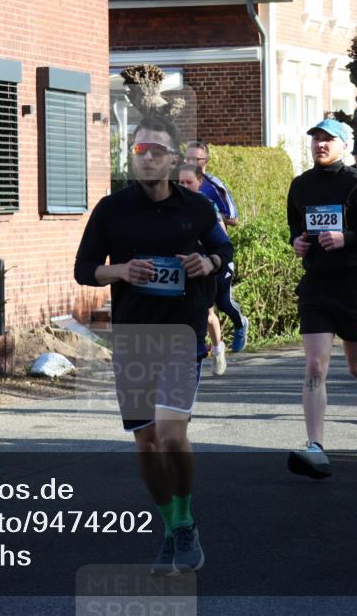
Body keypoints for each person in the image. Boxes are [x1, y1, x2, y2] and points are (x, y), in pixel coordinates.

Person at [75, 115, 232, 574]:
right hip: (134, 337)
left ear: (173, 157)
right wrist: (120, 271)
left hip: (182, 333)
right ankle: (169, 526)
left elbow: (225, 251)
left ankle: (184, 522)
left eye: (156, 151)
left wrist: (208, 260)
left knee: (170, 434)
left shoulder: (197, 208)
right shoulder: (111, 209)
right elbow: (86, 269)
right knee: (145, 444)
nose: (147, 158)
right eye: (139, 151)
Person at [286, 119, 357, 479]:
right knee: (315, 367)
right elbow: (296, 231)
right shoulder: (300, 185)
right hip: (316, 284)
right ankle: (315, 445)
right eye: (316, 138)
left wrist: (346, 238)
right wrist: (298, 244)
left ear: (344, 145)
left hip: (352, 284)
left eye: (328, 138)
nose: (320, 144)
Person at [183, 140, 249, 352]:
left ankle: (240, 324)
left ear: (206, 162)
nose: (192, 162)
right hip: (193, 255)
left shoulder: (214, 186)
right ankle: (206, 347)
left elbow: (233, 218)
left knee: (223, 301)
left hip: (216, 252)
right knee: (202, 304)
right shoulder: (178, 183)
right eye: (188, 158)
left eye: (197, 159)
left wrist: (207, 213)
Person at [178, 163, 228, 376]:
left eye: (188, 182)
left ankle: (217, 349)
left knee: (208, 315)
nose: (184, 186)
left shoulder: (207, 207)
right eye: (180, 182)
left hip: (204, 270)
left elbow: (222, 240)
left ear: (199, 182)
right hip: (178, 271)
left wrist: (211, 259)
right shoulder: (170, 205)